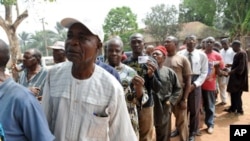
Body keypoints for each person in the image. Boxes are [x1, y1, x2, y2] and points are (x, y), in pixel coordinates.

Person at [42, 17, 137, 141]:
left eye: (82, 38)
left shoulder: (111, 87)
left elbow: (123, 136)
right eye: (69, 36)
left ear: (98, 46)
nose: (72, 42)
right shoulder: (54, 75)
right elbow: (44, 123)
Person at [0, 39, 54, 141]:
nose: (23, 59)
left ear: (37, 59)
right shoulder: (23, 73)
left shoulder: (24, 99)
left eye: (27, 57)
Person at [106, 37, 149, 139]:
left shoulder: (130, 72)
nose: (114, 53)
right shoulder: (100, 71)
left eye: (117, 51)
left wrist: (139, 88)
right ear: (106, 52)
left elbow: (141, 99)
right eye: (110, 50)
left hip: (128, 118)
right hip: (106, 118)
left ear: (122, 53)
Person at [123, 33, 162, 141]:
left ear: (144, 43)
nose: (136, 44)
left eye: (139, 41)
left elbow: (158, 88)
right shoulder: (125, 63)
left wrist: (151, 75)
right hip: (130, 105)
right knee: (131, 134)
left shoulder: (151, 62)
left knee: (146, 136)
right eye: (133, 42)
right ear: (130, 44)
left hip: (147, 105)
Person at [178, 35, 208, 141]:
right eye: (188, 40)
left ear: (196, 42)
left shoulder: (202, 55)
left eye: (193, 41)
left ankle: (192, 132)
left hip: (196, 82)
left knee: (194, 109)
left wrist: (195, 84)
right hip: (183, 81)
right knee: (182, 108)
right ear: (185, 42)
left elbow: (204, 72)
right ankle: (180, 128)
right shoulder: (180, 54)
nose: (191, 42)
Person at [164, 36, 192, 141]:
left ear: (175, 44)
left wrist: (184, 99)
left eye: (168, 42)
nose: (165, 43)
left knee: (182, 122)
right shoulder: (161, 59)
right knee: (165, 122)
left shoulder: (183, 59)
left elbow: (188, 80)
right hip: (165, 98)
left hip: (179, 97)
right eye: (165, 42)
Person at [152, 45, 182, 141]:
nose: (155, 56)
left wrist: (171, 100)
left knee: (164, 132)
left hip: (164, 106)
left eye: (157, 54)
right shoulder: (147, 71)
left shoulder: (169, 72)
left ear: (164, 57)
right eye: (153, 54)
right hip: (150, 106)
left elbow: (177, 88)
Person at [202, 37, 224, 134]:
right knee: (197, 106)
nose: (209, 43)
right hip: (198, 85)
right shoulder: (199, 54)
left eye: (211, 42)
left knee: (210, 106)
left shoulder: (218, 56)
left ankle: (210, 124)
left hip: (210, 85)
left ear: (214, 44)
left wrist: (218, 68)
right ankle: (196, 125)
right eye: (208, 42)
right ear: (204, 43)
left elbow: (220, 73)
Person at [223, 40, 248, 115]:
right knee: (233, 93)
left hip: (239, 79)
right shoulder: (239, 53)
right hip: (235, 78)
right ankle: (233, 108)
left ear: (237, 46)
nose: (232, 48)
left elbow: (241, 67)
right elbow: (238, 64)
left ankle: (240, 110)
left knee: (237, 94)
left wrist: (230, 72)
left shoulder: (242, 53)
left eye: (232, 46)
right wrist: (231, 65)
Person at [218, 38, 235, 105]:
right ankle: (223, 100)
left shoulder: (232, 51)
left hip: (230, 71)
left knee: (230, 86)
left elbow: (235, 61)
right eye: (222, 44)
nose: (224, 45)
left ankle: (232, 102)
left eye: (225, 43)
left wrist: (229, 67)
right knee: (221, 85)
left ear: (228, 43)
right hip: (222, 71)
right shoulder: (220, 51)